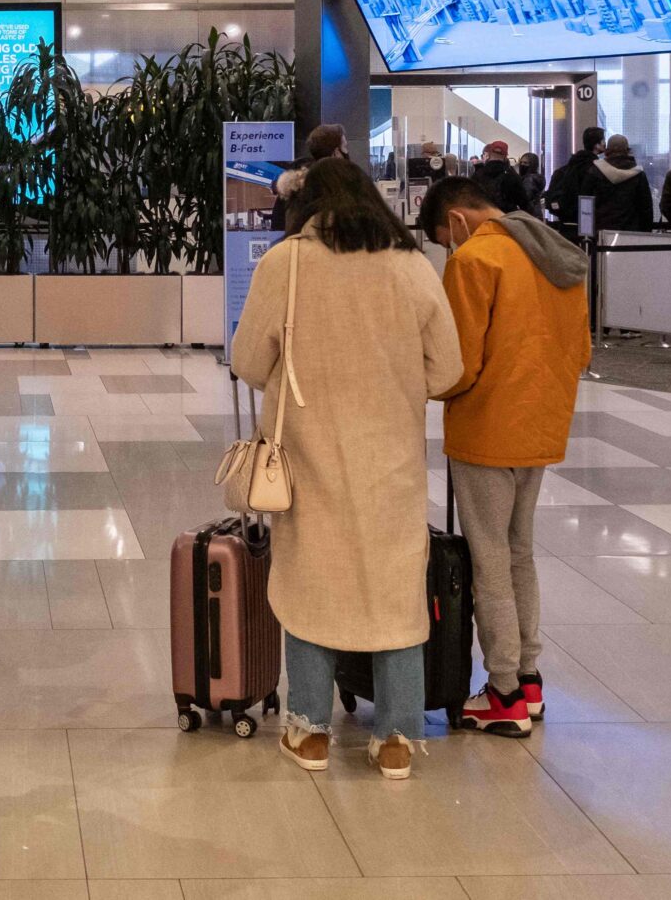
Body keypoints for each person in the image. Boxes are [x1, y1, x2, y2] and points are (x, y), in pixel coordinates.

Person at [234, 158, 460, 781]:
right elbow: (448, 369)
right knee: (395, 594)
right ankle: (398, 739)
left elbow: (249, 360)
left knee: (312, 585)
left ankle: (309, 732)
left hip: (310, 461)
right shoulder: (410, 264)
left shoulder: (288, 262)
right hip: (390, 463)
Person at [418, 176, 589, 736]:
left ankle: (504, 692)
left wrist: (422, 384)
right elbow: (579, 350)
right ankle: (530, 678)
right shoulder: (553, 254)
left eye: (446, 238)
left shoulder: (475, 261)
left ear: (458, 219)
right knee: (519, 552)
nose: (450, 248)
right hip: (539, 425)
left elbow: (457, 364)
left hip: (487, 430)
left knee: (489, 557)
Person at [271, 123, 346, 232]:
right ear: (336, 152)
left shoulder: (294, 185)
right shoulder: (334, 186)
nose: (346, 152)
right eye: (345, 147)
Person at [577, 133, 653, 233]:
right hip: (631, 233)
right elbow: (645, 208)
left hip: (600, 232)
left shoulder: (594, 172)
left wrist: (587, 233)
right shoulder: (638, 175)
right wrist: (645, 233)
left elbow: (586, 204)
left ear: (607, 151)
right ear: (628, 151)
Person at [546, 126, 605, 233]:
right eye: (603, 141)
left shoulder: (567, 168)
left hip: (565, 224)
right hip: (587, 224)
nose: (604, 144)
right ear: (596, 145)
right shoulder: (597, 169)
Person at [470, 139, 530, 214]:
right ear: (505, 156)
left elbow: (470, 197)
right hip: (506, 218)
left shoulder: (478, 174)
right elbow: (523, 202)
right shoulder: (511, 175)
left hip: (483, 217)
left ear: (489, 154)